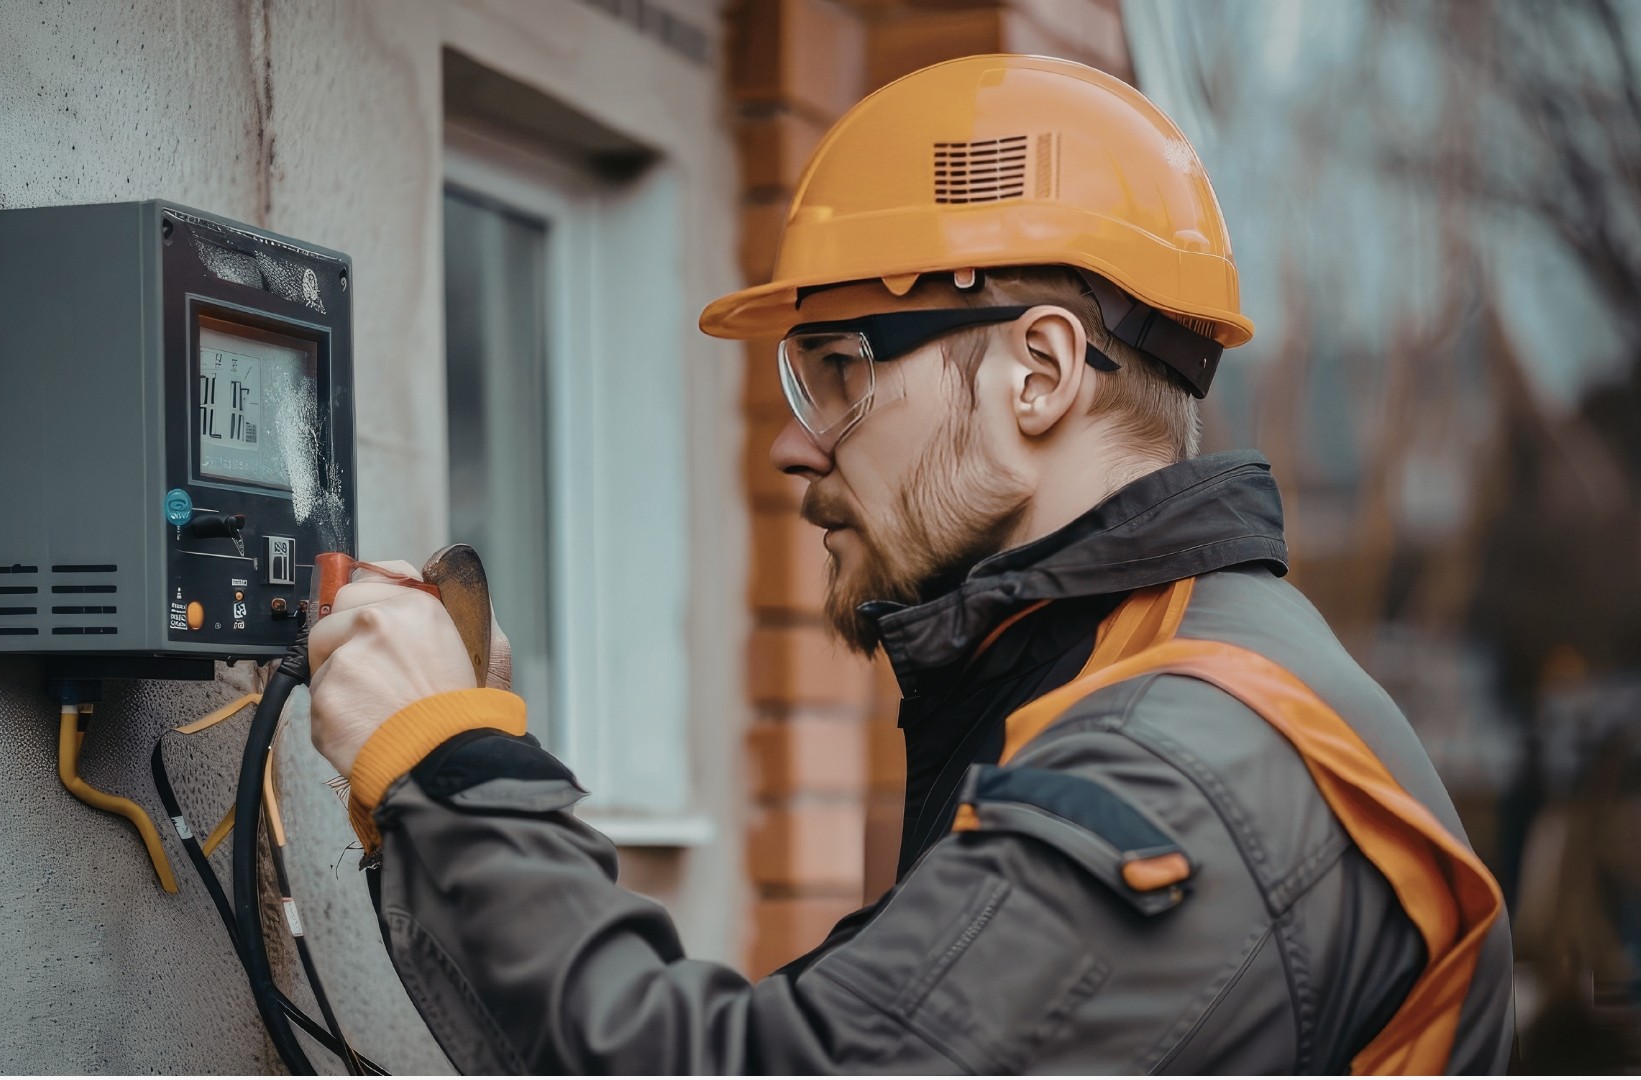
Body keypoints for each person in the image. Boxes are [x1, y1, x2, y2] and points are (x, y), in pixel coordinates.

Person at [308, 55, 1515, 1073]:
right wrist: (439, 799)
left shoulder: (1175, 775)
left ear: (1038, 373)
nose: (790, 442)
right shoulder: (1093, 693)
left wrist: (455, 771)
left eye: (837, 368)